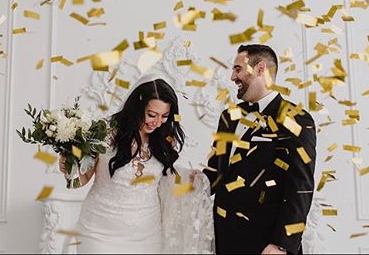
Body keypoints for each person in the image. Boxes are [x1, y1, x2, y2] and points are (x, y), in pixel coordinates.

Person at [59, 77, 214, 254]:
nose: (157, 123)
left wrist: (188, 177)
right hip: (99, 232)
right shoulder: (104, 131)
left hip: (148, 235)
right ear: (137, 108)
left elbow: (165, 176)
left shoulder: (164, 139)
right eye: (151, 115)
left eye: (164, 116)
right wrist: (69, 165)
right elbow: (82, 179)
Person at [203, 44, 316, 255]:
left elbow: (301, 185)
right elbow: (216, 173)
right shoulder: (229, 117)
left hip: (268, 244)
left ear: (260, 69)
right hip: (224, 238)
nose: (232, 77)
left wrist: (282, 244)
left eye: (238, 69)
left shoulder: (295, 118)